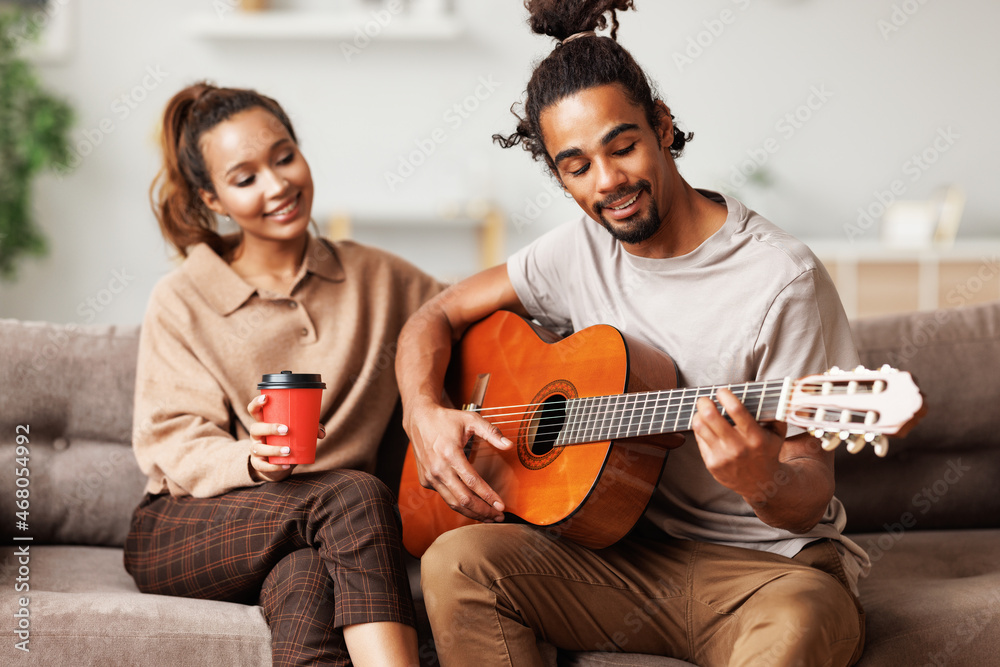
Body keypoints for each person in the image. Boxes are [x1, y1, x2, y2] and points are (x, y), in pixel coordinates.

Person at [394, 2, 869, 666]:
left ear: (663, 126)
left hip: (766, 571)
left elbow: (810, 480)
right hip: (619, 560)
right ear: (558, 176)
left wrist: (762, 480)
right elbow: (433, 316)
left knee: (808, 619)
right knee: (456, 561)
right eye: (577, 165)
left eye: (623, 146)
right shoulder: (574, 252)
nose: (608, 181)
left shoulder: (780, 278)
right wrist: (425, 412)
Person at [123, 82, 441, 667]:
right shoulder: (183, 298)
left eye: (284, 157)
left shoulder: (375, 277)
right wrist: (252, 458)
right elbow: (169, 439)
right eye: (244, 179)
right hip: (185, 522)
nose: (277, 186)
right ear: (212, 198)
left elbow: (464, 316)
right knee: (352, 495)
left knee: (306, 582)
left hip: (319, 535)